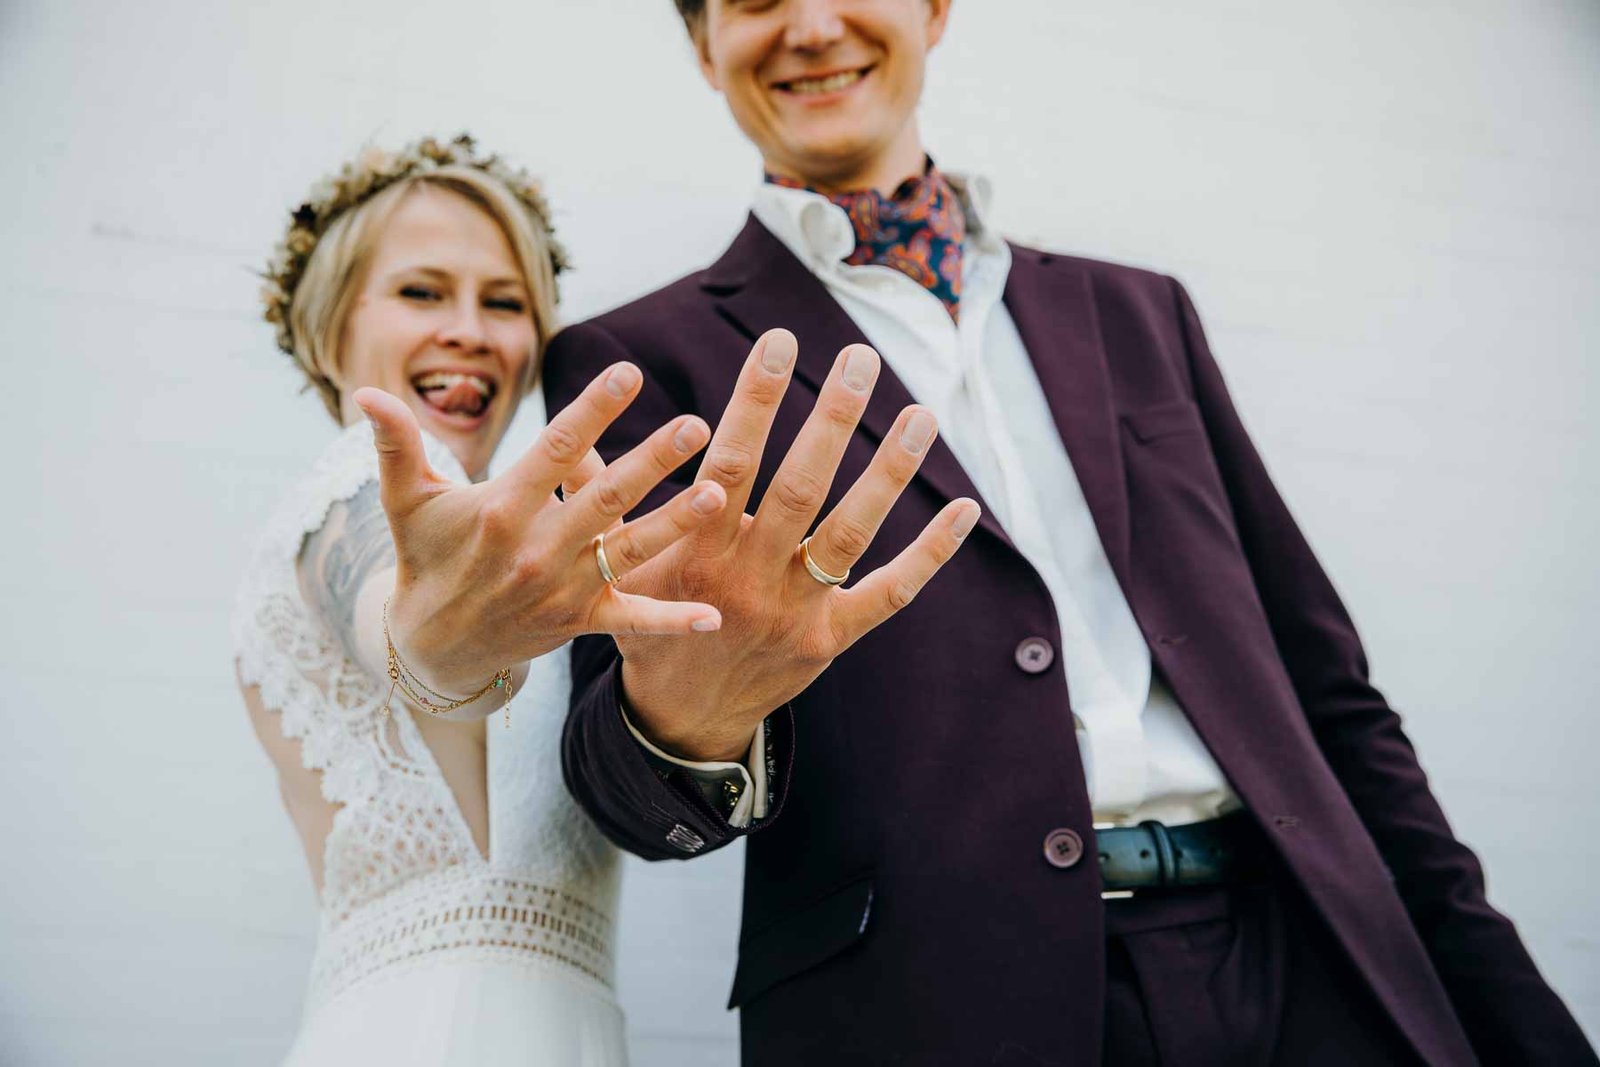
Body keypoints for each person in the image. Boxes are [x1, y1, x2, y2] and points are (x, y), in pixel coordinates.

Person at [540, 4, 1599, 1065]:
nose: (812, 26)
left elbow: (1330, 695)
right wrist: (693, 713)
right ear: (702, 47)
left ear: (934, 10)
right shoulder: (638, 361)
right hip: (940, 1005)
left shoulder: (1141, 314)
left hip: (1303, 962)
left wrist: (1516, 1015)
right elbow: (621, 790)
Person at [234, 134, 737, 1066]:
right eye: (422, 291)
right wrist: (441, 647)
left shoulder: (537, 552)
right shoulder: (343, 495)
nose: (470, 329)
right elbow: (398, 613)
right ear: (328, 326)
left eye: (504, 302)